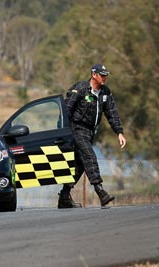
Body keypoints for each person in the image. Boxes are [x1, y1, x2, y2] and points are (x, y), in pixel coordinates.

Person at [58, 64, 127, 208]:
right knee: (90, 156)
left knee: (80, 165)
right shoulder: (81, 89)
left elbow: (112, 114)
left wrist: (119, 132)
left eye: (106, 75)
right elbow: (66, 110)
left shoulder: (105, 93)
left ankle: (64, 196)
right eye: (102, 75)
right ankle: (100, 191)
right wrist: (63, 132)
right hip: (76, 129)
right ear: (93, 74)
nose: (105, 78)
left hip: (90, 132)